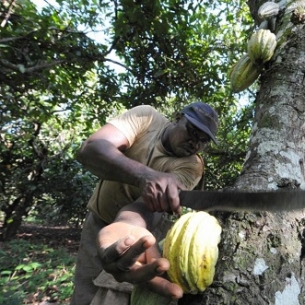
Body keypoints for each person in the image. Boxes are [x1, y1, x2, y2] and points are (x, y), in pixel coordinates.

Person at [70, 102, 219, 305]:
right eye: (192, 132)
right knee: (84, 294)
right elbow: (91, 149)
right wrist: (144, 176)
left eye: (203, 141)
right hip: (97, 221)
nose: (195, 144)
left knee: (114, 296)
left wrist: (128, 227)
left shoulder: (192, 166)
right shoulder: (146, 118)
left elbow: (148, 207)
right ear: (177, 117)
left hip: (138, 235)